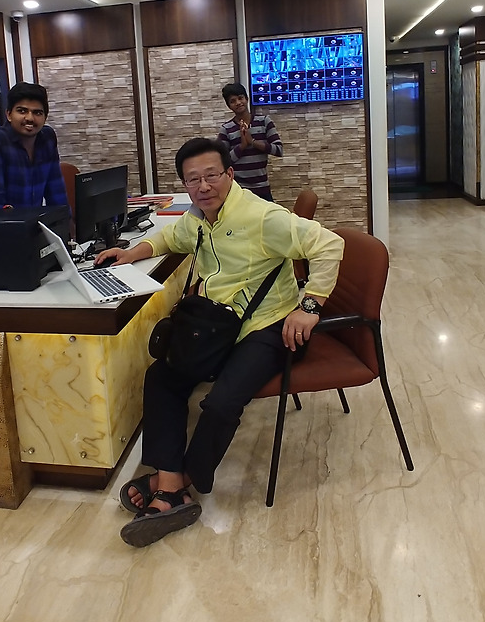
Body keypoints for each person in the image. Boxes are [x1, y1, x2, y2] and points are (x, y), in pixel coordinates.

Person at [95, 137, 344, 547]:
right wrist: (131, 252)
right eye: (193, 179)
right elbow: (170, 238)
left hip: (268, 327)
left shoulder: (261, 216)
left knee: (221, 402)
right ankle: (170, 482)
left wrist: (310, 306)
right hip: (220, 326)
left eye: (212, 175)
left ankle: (177, 484)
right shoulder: (198, 218)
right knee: (162, 377)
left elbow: (330, 244)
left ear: (230, 174)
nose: (203, 186)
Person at [0, 81, 68, 217]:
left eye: (37, 113)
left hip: (31, 224)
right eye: (22, 111)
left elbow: (56, 192)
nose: (30, 118)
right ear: (9, 114)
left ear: (45, 117)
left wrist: (67, 224)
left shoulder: (47, 138)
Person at [216, 83, 282, 201]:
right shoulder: (226, 129)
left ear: (246, 98)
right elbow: (222, 162)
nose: (238, 102)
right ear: (229, 106)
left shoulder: (264, 121)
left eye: (240, 98)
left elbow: (278, 150)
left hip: (262, 188)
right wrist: (242, 146)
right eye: (233, 101)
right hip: (238, 190)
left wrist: (252, 142)